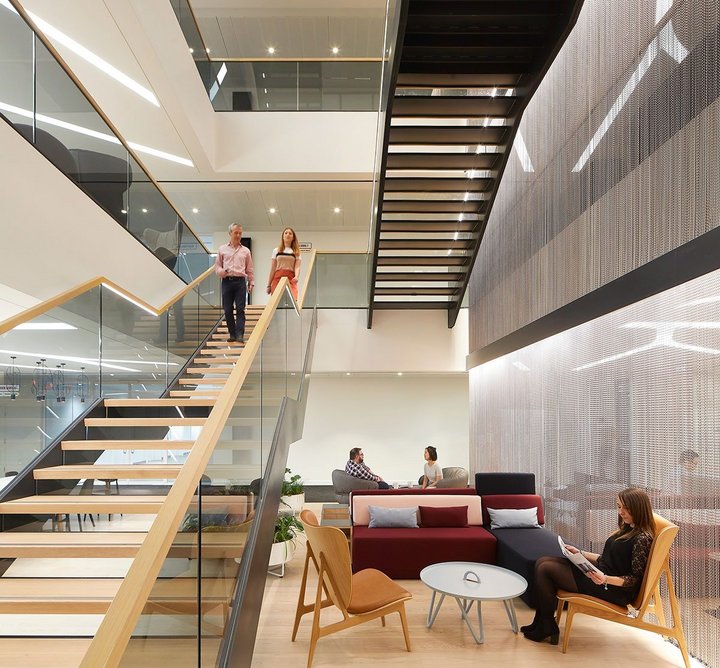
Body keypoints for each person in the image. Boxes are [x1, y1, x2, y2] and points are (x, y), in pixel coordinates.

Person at [522, 487, 654, 644]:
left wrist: (605, 579)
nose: (621, 512)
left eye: (626, 508)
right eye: (619, 506)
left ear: (639, 509)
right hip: (600, 575)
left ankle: (546, 625)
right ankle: (543, 622)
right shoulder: (629, 528)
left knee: (545, 568)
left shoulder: (642, 539)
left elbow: (634, 579)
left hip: (612, 589)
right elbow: (606, 559)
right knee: (542, 562)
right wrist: (580, 553)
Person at [215, 223, 254, 343]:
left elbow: (250, 269)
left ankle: (240, 334)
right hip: (227, 282)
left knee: (240, 309)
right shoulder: (222, 249)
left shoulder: (246, 251)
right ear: (230, 233)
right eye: (236, 232)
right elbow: (217, 267)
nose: (238, 235)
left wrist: (251, 282)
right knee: (227, 309)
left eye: (240, 233)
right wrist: (222, 272)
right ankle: (232, 334)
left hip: (240, 282)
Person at [266, 227, 301, 300]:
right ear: (283, 236)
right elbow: (273, 268)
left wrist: (296, 277)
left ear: (293, 237)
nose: (288, 235)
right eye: (286, 233)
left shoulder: (296, 252)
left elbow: (297, 267)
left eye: (290, 233)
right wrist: (269, 285)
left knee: (293, 299)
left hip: (291, 278)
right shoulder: (276, 250)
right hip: (277, 278)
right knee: (276, 300)